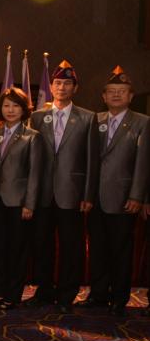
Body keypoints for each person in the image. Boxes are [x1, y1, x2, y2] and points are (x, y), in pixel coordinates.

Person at [28, 60, 99, 314]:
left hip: (72, 193)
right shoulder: (37, 117)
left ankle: (67, 295)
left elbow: (92, 160)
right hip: (43, 193)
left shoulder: (87, 118)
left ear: (75, 88)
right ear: (51, 86)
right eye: (57, 83)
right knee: (42, 244)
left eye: (67, 83)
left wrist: (88, 194)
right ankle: (44, 291)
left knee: (72, 246)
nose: (61, 87)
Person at [78, 67, 149, 317]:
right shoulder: (94, 120)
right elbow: (88, 161)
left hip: (123, 198)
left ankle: (119, 297)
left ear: (131, 96)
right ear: (104, 96)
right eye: (111, 91)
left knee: (120, 250)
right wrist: (86, 195)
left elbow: (143, 163)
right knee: (97, 249)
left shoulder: (142, 122)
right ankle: (98, 295)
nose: (116, 95)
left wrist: (137, 196)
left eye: (122, 91)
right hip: (95, 198)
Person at [0, 87, 42, 310]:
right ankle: (0, 292)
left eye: (15, 106)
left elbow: (35, 174)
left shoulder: (32, 137)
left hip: (19, 203)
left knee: (17, 250)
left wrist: (30, 203)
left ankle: (13, 294)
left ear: (24, 109)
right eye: (6, 105)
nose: (10, 110)